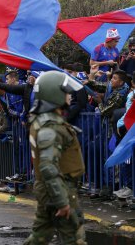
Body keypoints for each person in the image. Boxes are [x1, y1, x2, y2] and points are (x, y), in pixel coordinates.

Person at [24, 71, 86, 245]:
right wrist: (62, 201)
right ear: (55, 93)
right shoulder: (50, 125)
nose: (69, 96)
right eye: (66, 92)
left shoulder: (45, 120)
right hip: (59, 187)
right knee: (74, 238)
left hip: (49, 188)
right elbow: (48, 166)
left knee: (40, 237)